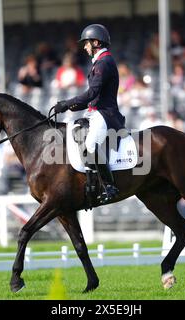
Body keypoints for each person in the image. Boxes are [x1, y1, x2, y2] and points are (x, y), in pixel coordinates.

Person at [53, 24, 125, 203]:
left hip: (106, 114)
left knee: (91, 145)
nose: (84, 47)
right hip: (95, 112)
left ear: (96, 42)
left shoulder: (104, 62)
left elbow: (92, 94)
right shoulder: (100, 62)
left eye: (86, 44)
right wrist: (70, 107)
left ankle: (109, 185)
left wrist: (67, 103)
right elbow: (93, 97)